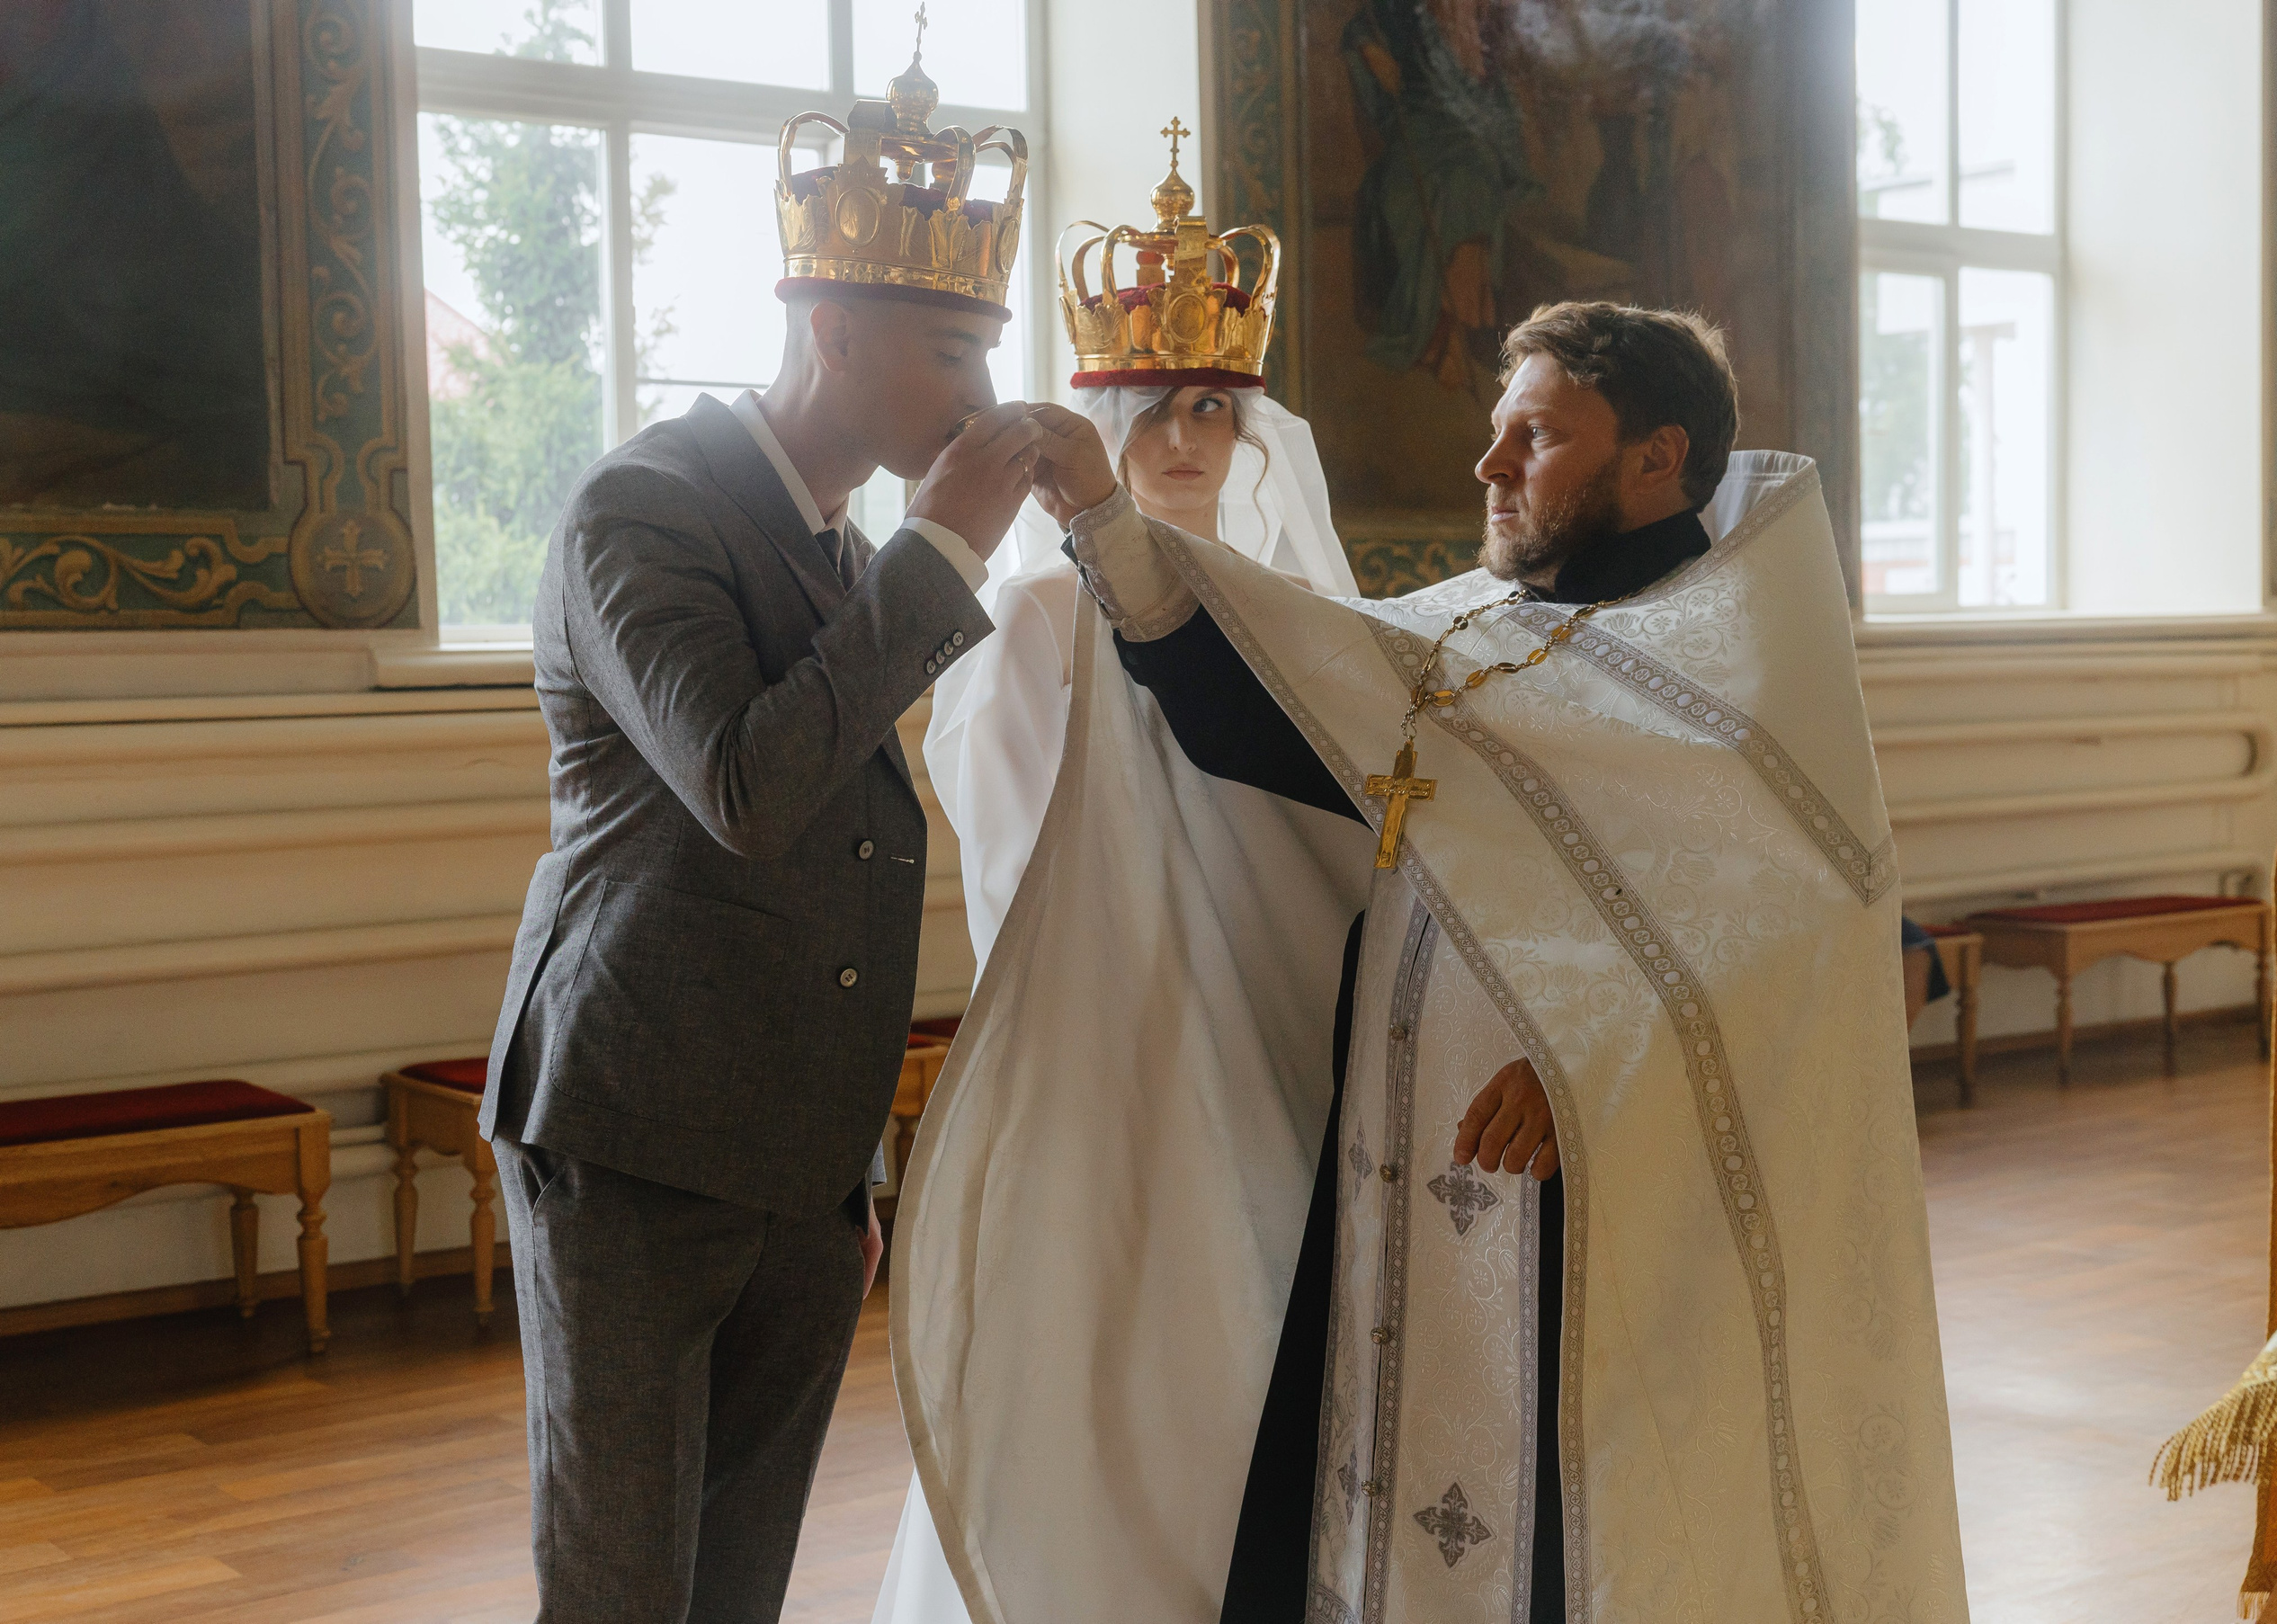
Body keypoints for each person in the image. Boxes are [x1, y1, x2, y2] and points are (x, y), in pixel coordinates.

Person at [889, 301, 1969, 1622]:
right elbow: (1260, 722)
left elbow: (1803, 936)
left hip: (1603, 1210)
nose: (1490, 465)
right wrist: (1103, 516)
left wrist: (1594, 1053)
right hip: (1403, 1162)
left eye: (1537, 435)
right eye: (1495, 432)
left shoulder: (1738, 669)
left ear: (1653, 457)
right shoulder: (1472, 631)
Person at [478, 42, 1050, 1622]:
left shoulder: (835, 540)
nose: (981, 401)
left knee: (735, 1584)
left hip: (799, 1153)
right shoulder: (643, 507)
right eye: (952, 351)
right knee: (621, 1582)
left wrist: (847, 1172)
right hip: (641, 1124)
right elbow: (747, 786)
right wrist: (947, 543)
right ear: (832, 326)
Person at [879, 135, 1357, 1624]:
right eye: (1163, 404)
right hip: (1115, 1045)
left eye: (1218, 407)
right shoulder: (1031, 615)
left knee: (1272, 1345)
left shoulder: (1300, 614)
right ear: (1108, 411)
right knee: (1111, 1345)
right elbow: (1026, 868)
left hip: (1278, 1036)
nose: (1190, 436)